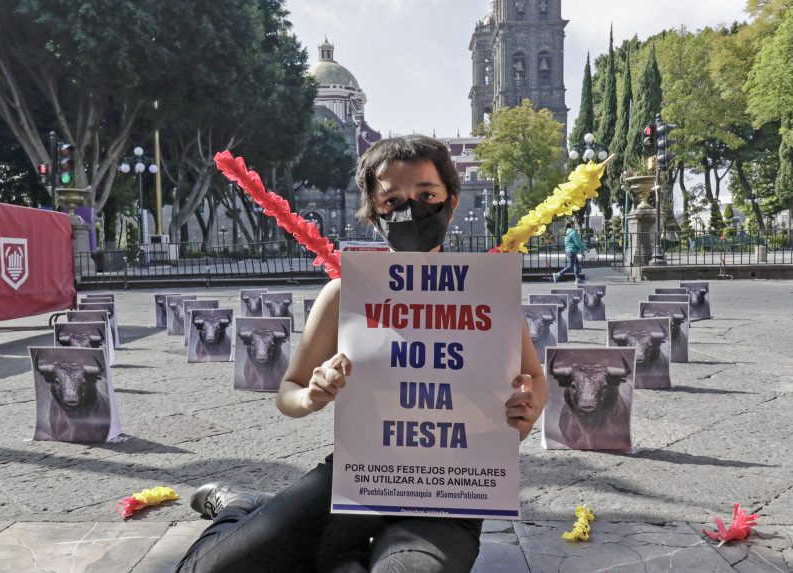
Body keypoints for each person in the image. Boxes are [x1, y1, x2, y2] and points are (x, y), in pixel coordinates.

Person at [177, 135, 547, 573]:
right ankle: (241, 507)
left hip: (452, 490)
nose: (411, 209)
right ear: (374, 214)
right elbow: (289, 392)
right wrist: (313, 393)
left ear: (451, 201)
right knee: (206, 570)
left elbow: (533, 379)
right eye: (393, 200)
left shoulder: (486, 292)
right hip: (357, 477)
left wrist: (526, 410)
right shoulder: (345, 293)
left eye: (426, 195)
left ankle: (338, 552)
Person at [552, 221, 587, 285]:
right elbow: (578, 243)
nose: (575, 225)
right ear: (571, 225)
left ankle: (577, 279)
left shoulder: (567, 232)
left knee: (576, 265)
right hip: (572, 251)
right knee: (571, 265)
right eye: (574, 224)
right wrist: (585, 249)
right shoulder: (573, 232)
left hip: (569, 250)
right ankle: (558, 274)